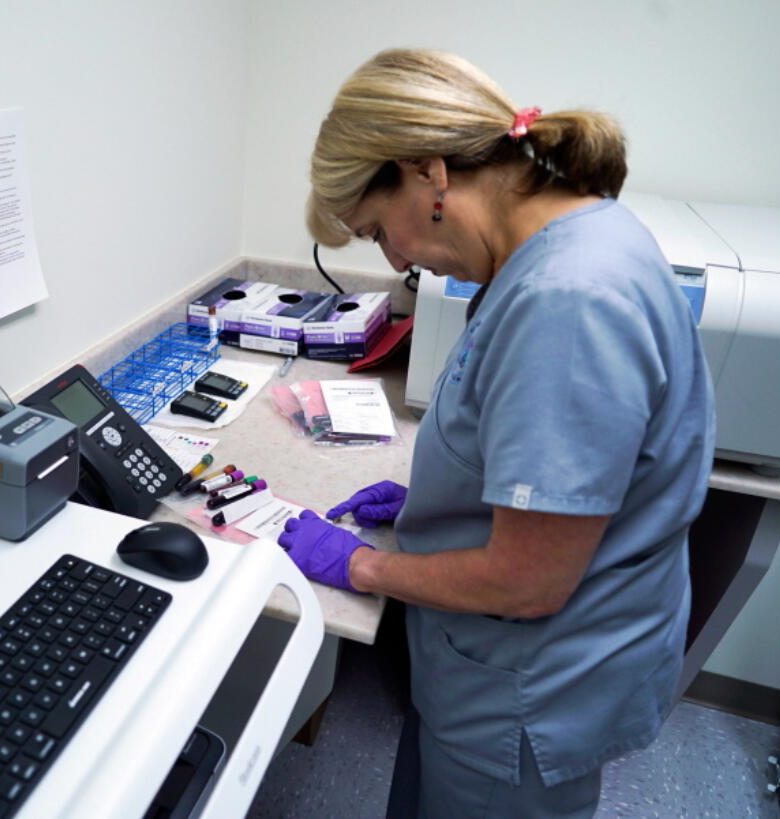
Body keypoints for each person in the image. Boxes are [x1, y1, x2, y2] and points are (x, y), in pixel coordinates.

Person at [277, 49, 715, 818]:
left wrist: (364, 567)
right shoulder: (569, 239)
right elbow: (551, 459)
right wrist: (440, 497)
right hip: (501, 670)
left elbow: (528, 581)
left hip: (528, 694)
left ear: (428, 173)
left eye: (379, 231)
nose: (397, 259)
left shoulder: (568, 300)